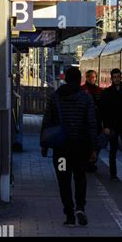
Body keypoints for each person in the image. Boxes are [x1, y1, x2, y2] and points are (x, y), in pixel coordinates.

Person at [40, 67, 97, 227]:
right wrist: (93, 148)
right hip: (81, 149)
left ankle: (70, 214)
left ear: (65, 79)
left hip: (61, 150)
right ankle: (80, 207)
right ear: (79, 80)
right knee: (80, 177)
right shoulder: (86, 99)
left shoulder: (55, 97)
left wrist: (44, 145)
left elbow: (47, 122)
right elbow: (91, 124)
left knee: (63, 180)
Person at [81, 69, 103, 172]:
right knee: (88, 142)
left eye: (94, 77)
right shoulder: (82, 90)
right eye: (91, 77)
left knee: (96, 142)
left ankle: (91, 161)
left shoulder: (99, 91)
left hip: (96, 121)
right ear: (87, 77)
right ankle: (88, 162)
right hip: (85, 122)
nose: (93, 79)